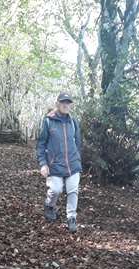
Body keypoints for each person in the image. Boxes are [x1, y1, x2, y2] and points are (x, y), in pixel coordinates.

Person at [36, 92, 82, 233]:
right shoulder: (48, 121)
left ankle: (71, 218)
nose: (65, 105)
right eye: (63, 102)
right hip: (55, 165)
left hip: (73, 165)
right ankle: (50, 205)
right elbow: (41, 144)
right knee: (55, 190)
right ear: (57, 103)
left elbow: (78, 143)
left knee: (73, 191)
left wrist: (78, 159)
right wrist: (43, 163)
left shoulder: (73, 122)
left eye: (68, 103)